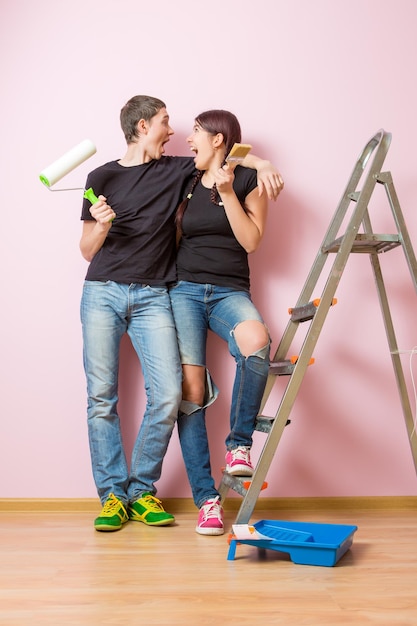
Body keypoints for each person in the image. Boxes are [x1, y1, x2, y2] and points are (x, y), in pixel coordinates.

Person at [79, 95, 283, 531]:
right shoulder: (101, 177)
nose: (176, 134)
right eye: (166, 124)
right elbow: (85, 251)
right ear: (141, 127)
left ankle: (148, 487)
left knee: (172, 393)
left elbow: (230, 159)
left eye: (183, 128)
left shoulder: (181, 171)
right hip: (122, 291)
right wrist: (100, 225)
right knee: (109, 398)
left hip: (163, 293)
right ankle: (119, 496)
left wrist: (262, 164)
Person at [170, 109, 283, 536]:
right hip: (181, 291)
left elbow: (251, 240)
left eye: (195, 133)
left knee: (257, 341)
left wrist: (232, 188)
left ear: (217, 138)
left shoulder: (251, 182)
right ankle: (207, 500)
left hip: (229, 292)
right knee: (192, 389)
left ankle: (239, 446)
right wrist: (259, 158)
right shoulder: (186, 180)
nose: (188, 140)